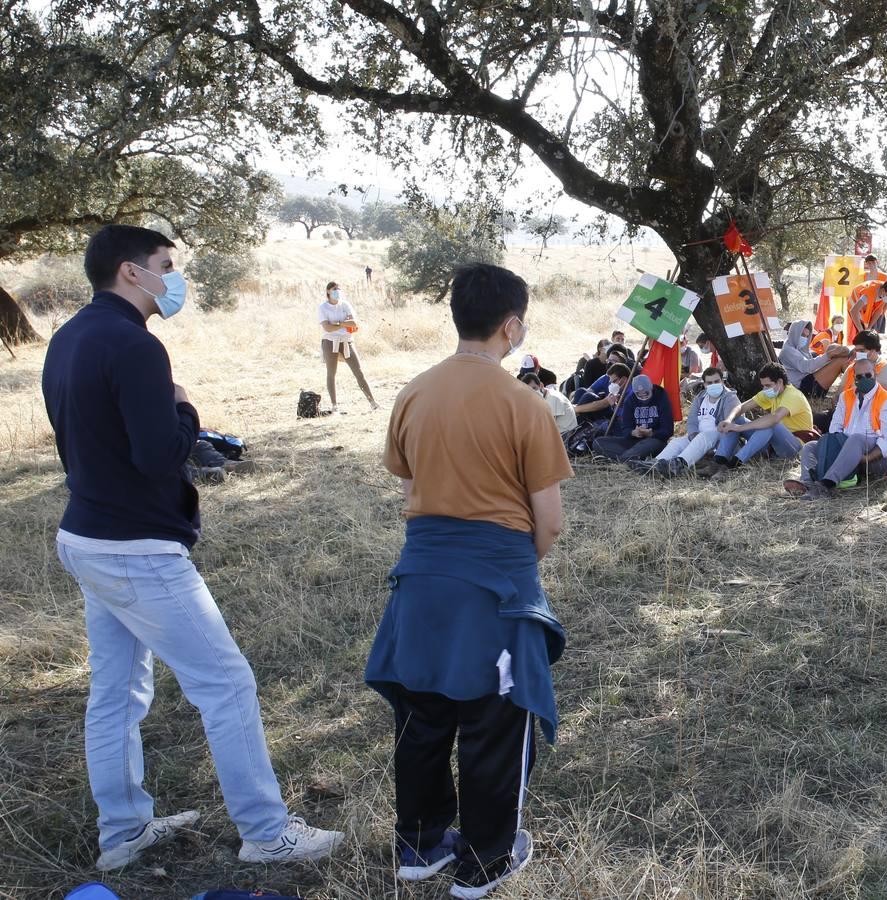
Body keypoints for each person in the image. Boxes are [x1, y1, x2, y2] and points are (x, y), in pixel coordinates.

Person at [42, 224, 342, 872]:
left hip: (86, 535)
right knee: (226, 681)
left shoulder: (66, 339)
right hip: (136, 546)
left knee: (116, 693)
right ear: (130, 271)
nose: (173, 279)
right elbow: (161, 454)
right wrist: (185, 409)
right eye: (165, 265)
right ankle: (266, 832)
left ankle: (123, 833)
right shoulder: (136, 346)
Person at [370, 263, 570, 898]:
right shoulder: (524, 404)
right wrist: (512, 566)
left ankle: (420, 847)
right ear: (511, 327)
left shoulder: (413, 392)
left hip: (421, 577)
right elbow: (551, 522)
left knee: (422, 712)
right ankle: (486, 862)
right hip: (495, 585)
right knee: (495, 720)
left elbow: (411, 492)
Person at [783, 357, 887, 498]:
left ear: (875, 374)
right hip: (848, 448)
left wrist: (866, 458)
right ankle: (806, 484)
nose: (864, 379)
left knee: (855, 439)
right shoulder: (846, 396)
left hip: (882, 457)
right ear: (854, 378)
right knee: (811, 446)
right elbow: (835, 427)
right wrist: (837, 448)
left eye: (868, 375)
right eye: (859, 376)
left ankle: (826, 485)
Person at [710, 363, 815, 474]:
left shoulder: (793, 395)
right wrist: (728, 420)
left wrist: (740, 428)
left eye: (768, 385)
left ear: (780, 382)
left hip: (793, 447)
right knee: (736, 419)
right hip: (772, 444)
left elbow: (774, 418)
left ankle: (735, 463)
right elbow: (741, 407)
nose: (764, 389)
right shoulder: (774, 391)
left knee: (771, 423)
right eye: (763, 385)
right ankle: (719, 461)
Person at [644, 367, 740, 475]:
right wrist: (693, 436)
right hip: (700, 437)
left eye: (716, 381)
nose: (713, 385)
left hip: (719, 438)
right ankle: (653, 464)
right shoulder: (701, 397)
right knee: (677, 442)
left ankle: (679, 464)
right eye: (709, 382)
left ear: (722, 381)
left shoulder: (730, 398)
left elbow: (728, 425)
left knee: (704, 437)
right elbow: (692, 421)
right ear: (704, 384)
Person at [318, 280, 379, 412]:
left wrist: (338, 323)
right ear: (328, 291)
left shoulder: (345, 305)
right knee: (331, 373)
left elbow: (354, 323)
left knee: (358, 372)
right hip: (330, 342)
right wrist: (343, 324)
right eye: (334, 289)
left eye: (338, 289)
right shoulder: (323, 307)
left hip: (347, 341)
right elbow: (327, 328)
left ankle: (373, 402)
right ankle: (334, 406)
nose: (337, 291)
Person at [595, 374, 673, 461]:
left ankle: (626, 458)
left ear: (651, 388)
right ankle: (633, 458)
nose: (643, 397)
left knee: (651, 444)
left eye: (646, 394)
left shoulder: (661, 397)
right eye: (639, 395)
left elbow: (668, 430)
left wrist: (651, 433)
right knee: (598, 443)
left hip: (654, 440)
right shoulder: (630, 401)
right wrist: (633, 432)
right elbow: (625, 428)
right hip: (634, 441)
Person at [780, 320, 848, 398]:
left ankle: (849, 393)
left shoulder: (799, 348)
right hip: (803, 388)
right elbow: (806, 367)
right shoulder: (788, 350)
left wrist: (830, 356)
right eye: (802, 335)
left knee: (839, 356)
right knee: (841, 361)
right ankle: (843, 397)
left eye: (806, 336)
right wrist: (827, 356)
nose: (804, 338)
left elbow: (810, 366)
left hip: (807, 382)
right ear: (794, 333)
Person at [849, 274, 887, 339]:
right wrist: (861, 330)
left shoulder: (884, 294)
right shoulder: (868, 294)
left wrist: (869, 327)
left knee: (868, 333)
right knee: (861, 334)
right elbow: (853, 311)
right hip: (853, 306)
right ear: (883, 290)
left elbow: (878, 311)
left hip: (863, 309)